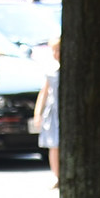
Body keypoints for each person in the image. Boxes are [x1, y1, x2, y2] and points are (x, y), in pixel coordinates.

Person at [34, 36, 61, 185]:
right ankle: (57, 176)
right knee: (54, 145)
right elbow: (44, 93)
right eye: (54, 50)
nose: (57, 53)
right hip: (54, 112)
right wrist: (38, 113)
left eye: (59, 50)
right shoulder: (51, 72)